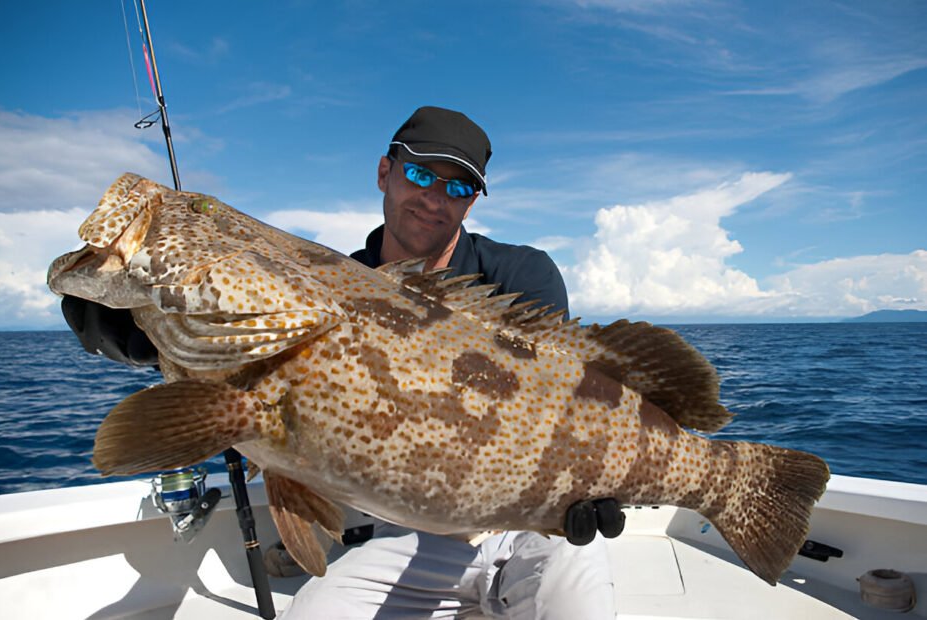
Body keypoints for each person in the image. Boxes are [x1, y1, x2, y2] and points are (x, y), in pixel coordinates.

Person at [62, 106, 623, 618]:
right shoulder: (320, 282)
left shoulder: (521, 278)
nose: (434, 198)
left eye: (456, 187)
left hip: (533, 529)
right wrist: (136, 320)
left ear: (472, 202)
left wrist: (592, 488)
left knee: (578, 598)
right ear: (385, 172)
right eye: (420, 175)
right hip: (408, 536)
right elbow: (216, 344)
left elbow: (565, 401)